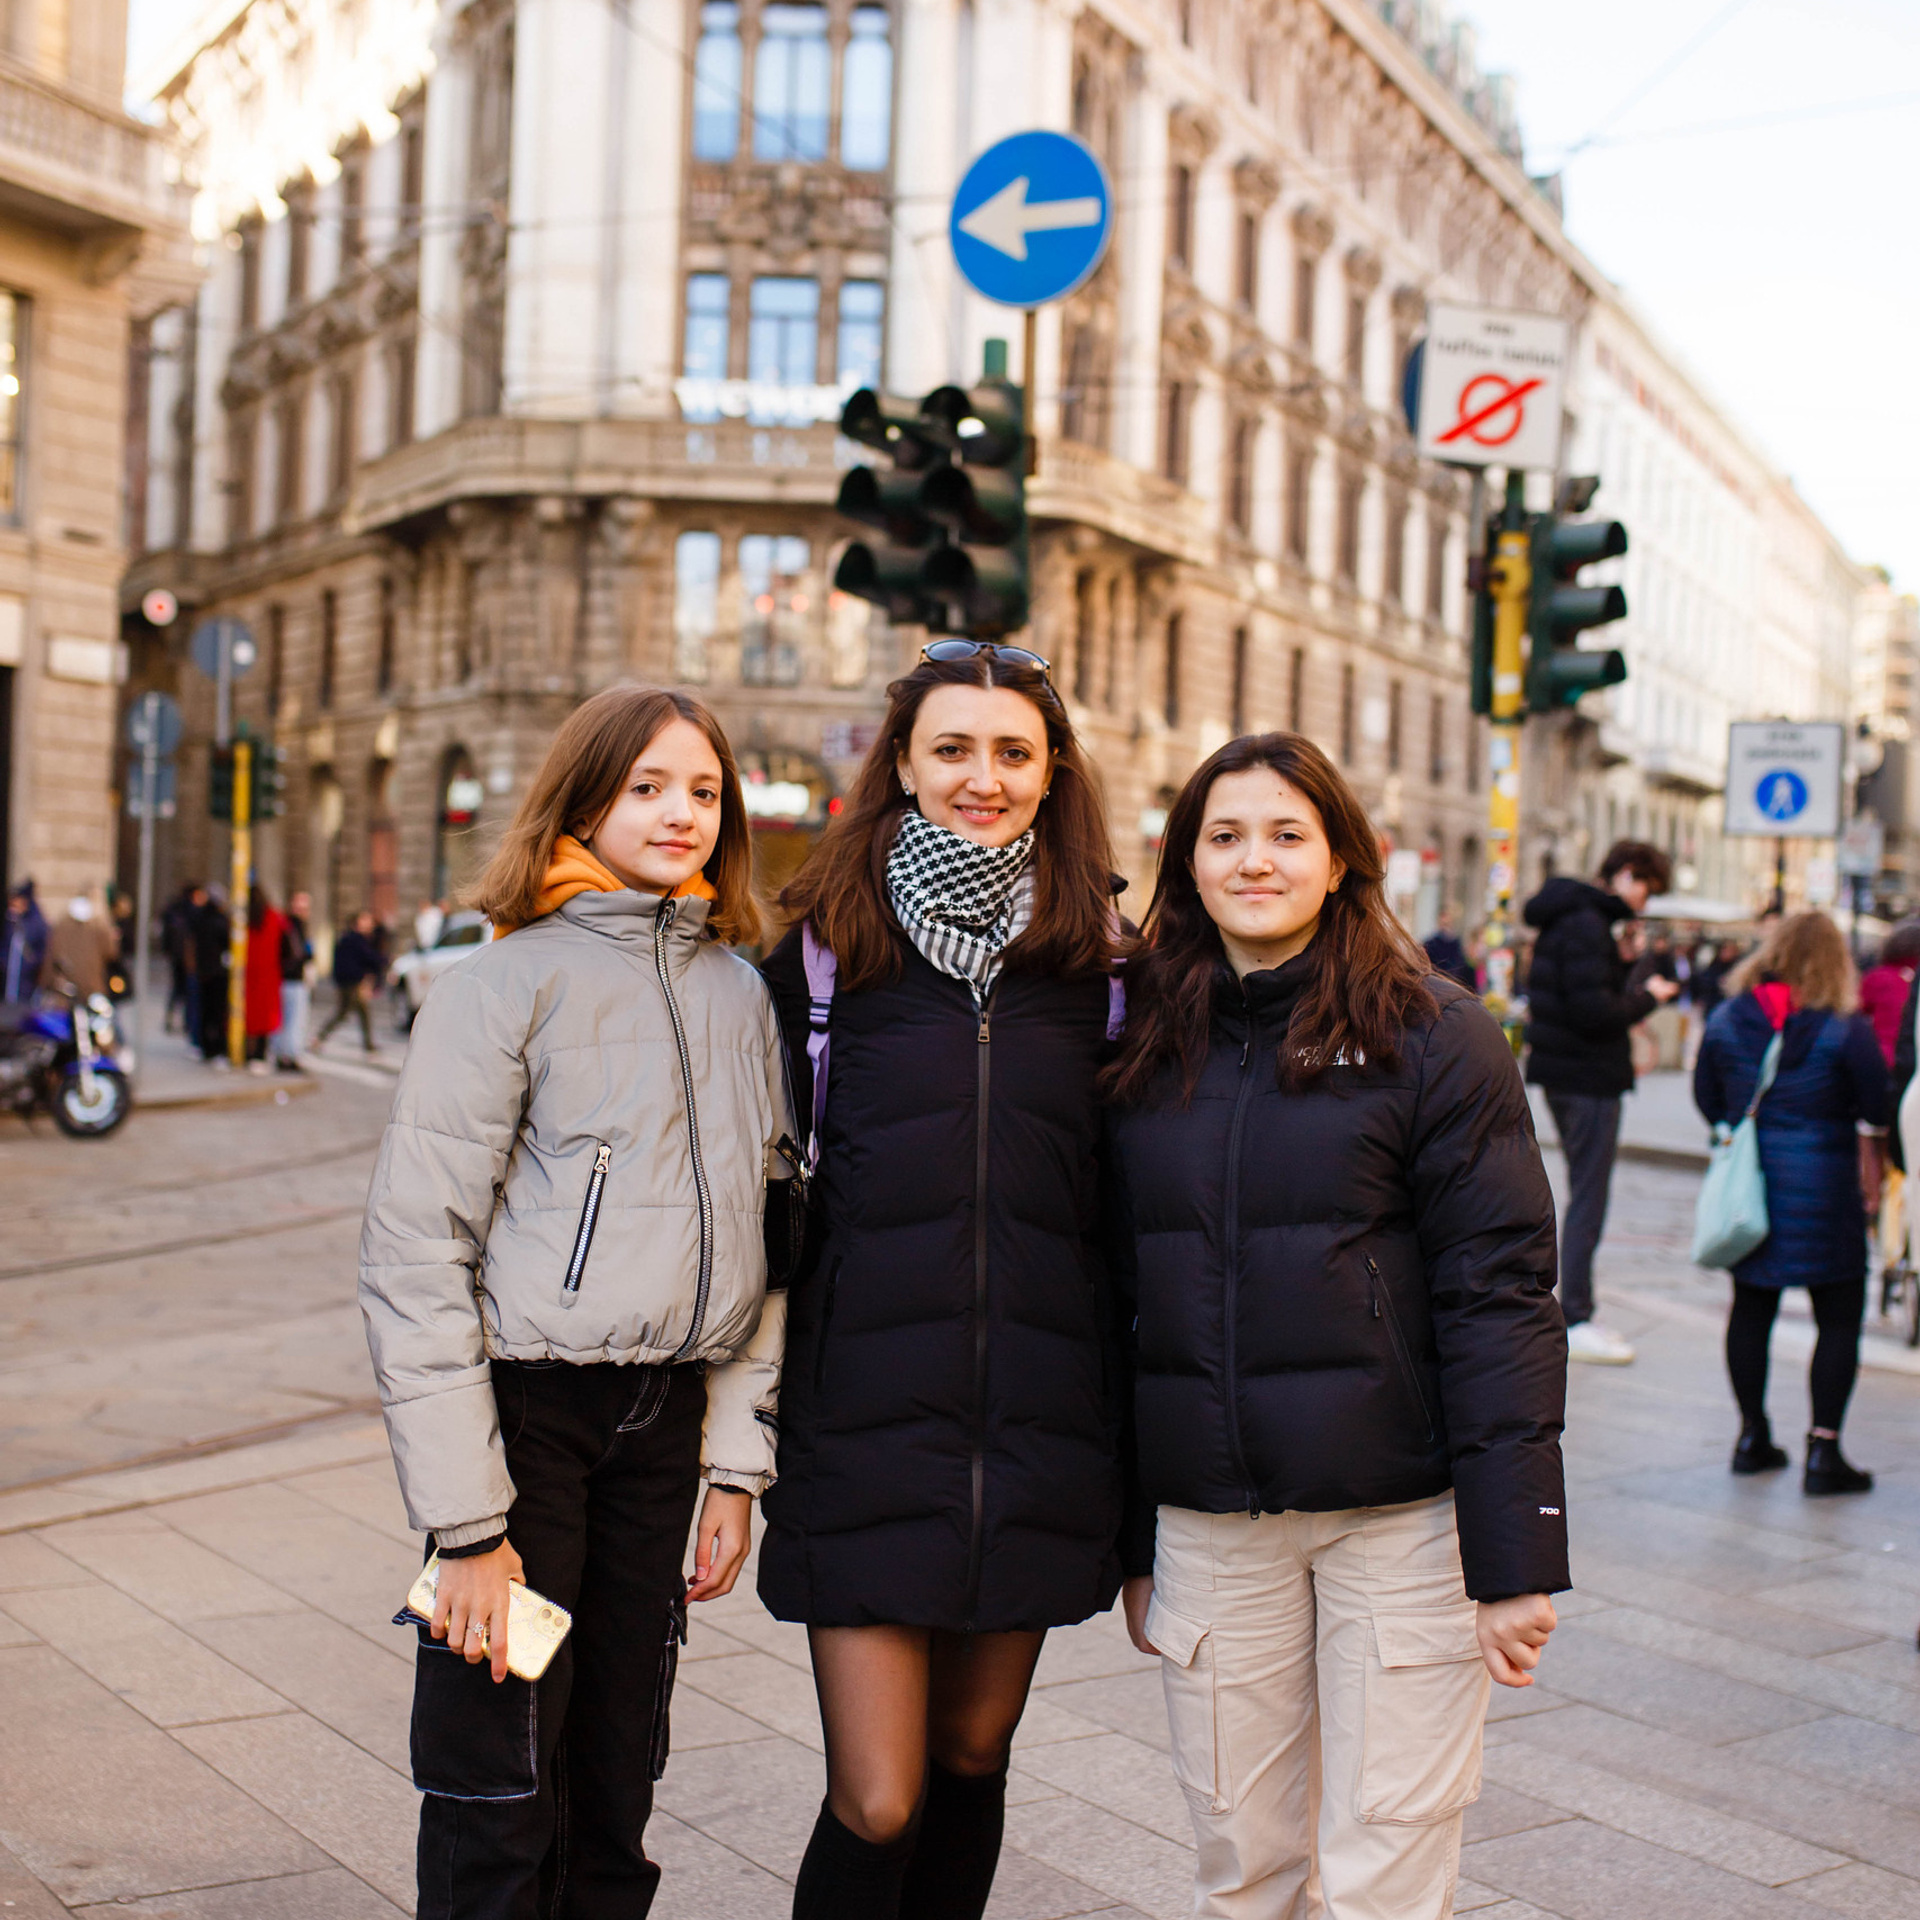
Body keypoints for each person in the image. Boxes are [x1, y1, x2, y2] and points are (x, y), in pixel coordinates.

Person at [1104, 733, 1566, 1920]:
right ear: (1188, 863)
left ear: (1340, 859)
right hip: (1214, 1527)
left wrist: (1515, 1563)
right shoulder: (1139, 1040)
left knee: (1385, 1873)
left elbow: (1500, 1292)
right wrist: (1129, 1539)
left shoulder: (1438, 1033)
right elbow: (1112, 1299)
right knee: (1242, 1869)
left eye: (1286, 834)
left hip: (1403, 1528)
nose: (1255, 860)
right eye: (1225, 836)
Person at [358, 683, 792, 1919]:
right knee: (499, 1784)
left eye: (704, 791)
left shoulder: (736, 995)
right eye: (648, 785)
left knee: (615, 1781)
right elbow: (415, 1250)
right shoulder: (505, 984)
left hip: (663, 1435)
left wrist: (735, 1470)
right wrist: (465, 1529)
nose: (681, 813)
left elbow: (773, 1245)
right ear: (583, 797)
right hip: (526, 1428)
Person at [759, 642, 1127, 1920]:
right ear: (902, 769)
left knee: (973, 1760)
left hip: (1038, 1436)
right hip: (859, 1435)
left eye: (1013, 752)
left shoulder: (1109, 971)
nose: (984, 777)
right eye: (953, 750)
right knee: (879, 1798)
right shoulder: (817, 963)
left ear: (1052, 772)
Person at [1695, 912, 1890, 1493]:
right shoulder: (1843, 1028)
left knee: (1751, 1310)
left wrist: (1741, 1125)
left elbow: (1707, 1096)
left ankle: (1752, 1435)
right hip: (1826, 1192)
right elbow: (1874, 1102)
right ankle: (1823, 1451)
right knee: (1838, 1318)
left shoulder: (1729, 1017)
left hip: (1750, 1189)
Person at [1521, 841, 1680, 1364]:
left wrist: (1623, 965)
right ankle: (1576, 1316)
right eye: (1647, 889)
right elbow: (1595, 1013)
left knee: (1585, 1192)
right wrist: (1650, 996)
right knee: (1590, 1196)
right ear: (1627, 874)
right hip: (1586, 1076)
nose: (1645, 902)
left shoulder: (1572, 918)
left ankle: (1577, 1312)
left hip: (1567, 1071)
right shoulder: (1588, 923)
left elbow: (1579, 996)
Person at [318, 910, 382, 1052]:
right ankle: (320, 1037)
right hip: (351, 982)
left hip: (350, 981)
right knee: (347, 1012)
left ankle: (368, 1045)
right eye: (366, 920)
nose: (370, 924)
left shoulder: (350, 938)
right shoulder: (355, 940)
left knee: (357, 1012)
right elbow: (370, 958)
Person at [242, 886, 287, 1072]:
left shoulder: (243, 918)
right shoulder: (274, 917)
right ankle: (259, 1055)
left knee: (246, 1014)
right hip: (269, 973)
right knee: (265, 1016)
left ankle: (246, 1053)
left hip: (247, 973)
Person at [41, 895, 117, 1000]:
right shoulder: (98, 926)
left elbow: (52, 956)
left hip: (66, 988)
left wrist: (45, 982)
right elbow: (111, 953)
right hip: (91, 986)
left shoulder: (61, 925)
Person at [272, 890, 314, 1072]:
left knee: (286, 1019)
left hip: (286, 978)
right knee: (294, 1019)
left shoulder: (288, 925)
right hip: (293, 978)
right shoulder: (293, 927)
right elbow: (302, 954)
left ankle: (283, 1053)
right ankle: (289, 1055)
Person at [191, 887, 231, 1060]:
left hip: (204, 972)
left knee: (205, 1011)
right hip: (218, 973)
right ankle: (217, 1047)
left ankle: (205, 1045)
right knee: (217, 1013)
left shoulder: (200, 919)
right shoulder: (220, 921)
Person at [3, 881, 47, 1002]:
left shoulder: (37, 925)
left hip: (26, 988)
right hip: (7, 987)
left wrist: (31, 965)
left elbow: (43, 955)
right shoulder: (9, 923)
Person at [1421, 903, 1476, 990]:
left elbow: (1460, 965)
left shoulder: (1456, 942)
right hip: (1435, 985)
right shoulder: (1431, 943)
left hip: (1451, 984)